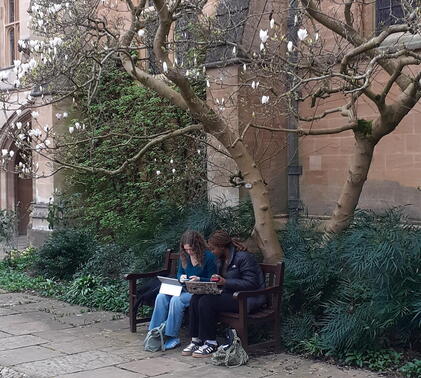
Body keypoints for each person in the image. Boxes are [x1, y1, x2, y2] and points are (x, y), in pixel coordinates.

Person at [182, 230, 265, 358]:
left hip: (246, 299)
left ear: (222, 247)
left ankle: (211, 342)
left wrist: (225, 281)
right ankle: (196, 340)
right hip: (230, 295)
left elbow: (251, 283)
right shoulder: (221, 259)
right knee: (196, 298)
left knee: (207, 302)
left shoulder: (243, 257)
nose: (211, 252)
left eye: (213, 249)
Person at [148, 230, 217, 350]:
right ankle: (154, 333)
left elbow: (213, 278)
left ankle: (172, 336)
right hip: (184, 288)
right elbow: (180, 273)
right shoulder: (184, 256)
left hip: (197, 292)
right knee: (161, 296)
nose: (189, 252)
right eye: (186, 249)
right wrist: (181, 277)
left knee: (176, 300)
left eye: (192, 249)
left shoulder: (209, 257)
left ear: (198, 245)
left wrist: (199, 279)